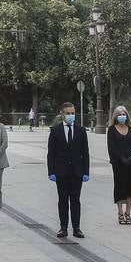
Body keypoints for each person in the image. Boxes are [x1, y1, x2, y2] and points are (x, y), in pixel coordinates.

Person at [46, 102, 89, 238]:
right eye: (68, 113)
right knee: (63, 200)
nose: (71, 116)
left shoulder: (81, 131)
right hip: (61, 172)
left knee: (75, 200)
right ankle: (63, 228)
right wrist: (51, 171)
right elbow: (51, 153)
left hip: (77, 171)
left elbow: (85, 153)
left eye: (73, 113)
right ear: (62, 114)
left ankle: (76, 228)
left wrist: (86, 172)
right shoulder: (55, 131)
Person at [107, 105, 131, 225]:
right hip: (118, 164)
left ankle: (128, 213)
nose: (122, 116)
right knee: (120, 186)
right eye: (120, 114)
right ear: (116, 116)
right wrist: (122, 159)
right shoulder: (111, 129)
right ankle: (120, 213)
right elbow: (112, 147)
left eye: (124, 114)